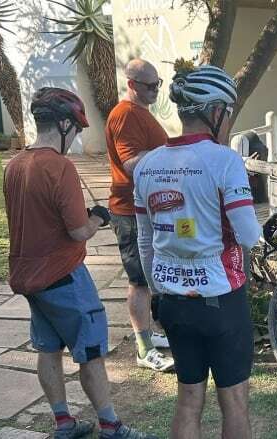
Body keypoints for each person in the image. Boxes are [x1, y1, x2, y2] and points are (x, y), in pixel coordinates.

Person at [3, 87, 156, 439]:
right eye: (76, 127)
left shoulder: (14, 165)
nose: (77, 135)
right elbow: (77, 231)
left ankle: (63, 422)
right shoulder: (59, 167)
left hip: (30, 278)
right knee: (90, 353)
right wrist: (99, 217)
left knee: (48, 348)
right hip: (64, 277)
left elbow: (37, 217)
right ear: (63, 123)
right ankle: (110, 425)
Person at [134, 65, 261, 439]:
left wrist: (158, 290)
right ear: (216, 111)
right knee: (234, 399)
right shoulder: (225, 161)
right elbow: (248, 235)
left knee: (189, 397)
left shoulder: (147, 164)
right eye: (229, 112)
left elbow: (145, 241)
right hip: (221, 296)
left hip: (172, 298)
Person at [105, 58, 174, 372]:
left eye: (158, 84)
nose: (156, 90)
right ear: (132, 84)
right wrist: (171, 154)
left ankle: (151, 334)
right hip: (129, 210)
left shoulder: (140, 113)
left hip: (145, 209)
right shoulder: (125, 115)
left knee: (149, 277)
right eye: (150, 85)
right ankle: (144, 348)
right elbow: (131, 163)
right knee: (139, 281)